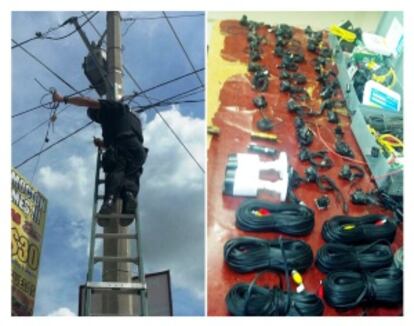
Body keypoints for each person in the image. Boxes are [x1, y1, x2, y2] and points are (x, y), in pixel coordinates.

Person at [52, 91, 148, 226]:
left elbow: (87, 101)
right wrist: (102, 144)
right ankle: (129, 196)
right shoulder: (131, 118)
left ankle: (109, 201)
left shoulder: (113, 108)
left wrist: (63, 98)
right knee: (131, 175)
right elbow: (119, 139)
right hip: (139, 153)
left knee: (115, 170)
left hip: (122, 147)